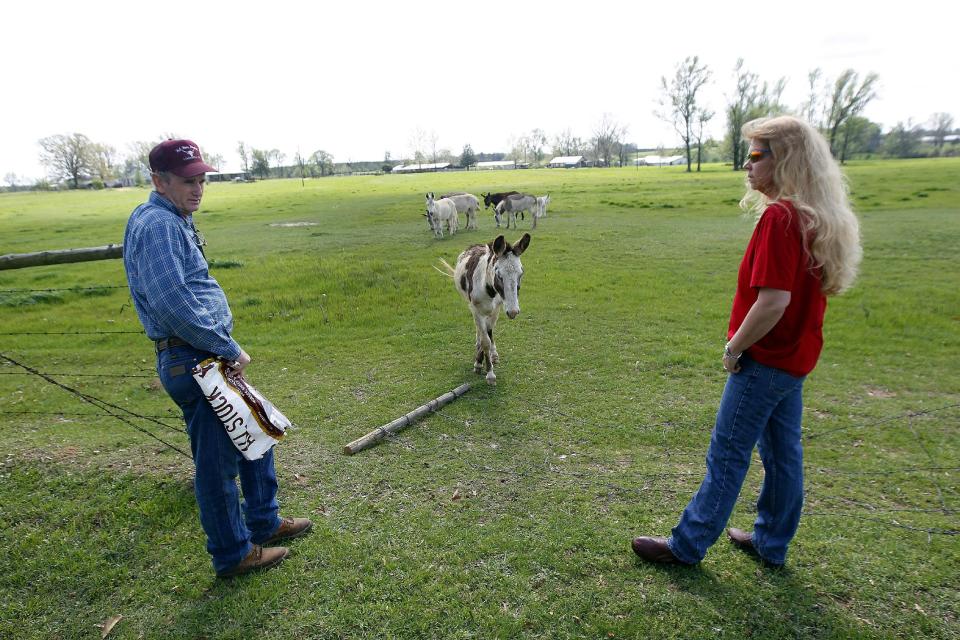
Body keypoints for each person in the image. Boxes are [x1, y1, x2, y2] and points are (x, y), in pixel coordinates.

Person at [632, 116, 862, 568]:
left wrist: (735, 348)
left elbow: (774, 302)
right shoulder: (813, 217)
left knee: (728, 453)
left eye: (758, 155)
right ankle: (770, 542)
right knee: (782, 455)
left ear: (787, 160)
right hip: (794, 361)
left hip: (766, 361)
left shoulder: (780, 218)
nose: (747, 164)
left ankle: (687, 545)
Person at [123, 139, 312, 578]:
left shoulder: (170, 218)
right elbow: (173, 304)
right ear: (159, 181)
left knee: (254, 432)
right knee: (216, 463)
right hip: (194, 358)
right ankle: (233, 554)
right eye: (189, 181)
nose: (198, 188)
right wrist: (228, 348)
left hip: (201, 353)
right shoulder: (159, 225)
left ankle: (263, 522)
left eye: (202, 179)